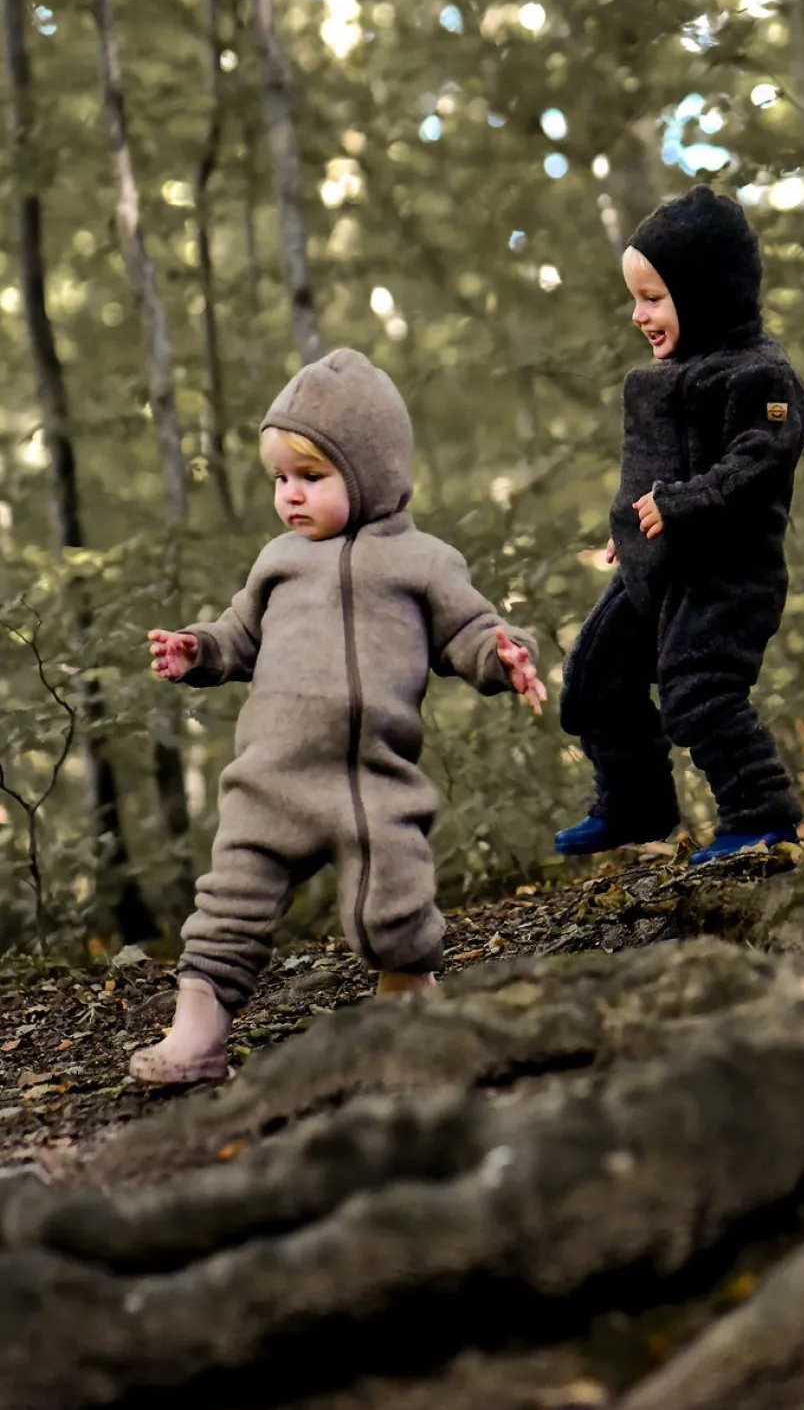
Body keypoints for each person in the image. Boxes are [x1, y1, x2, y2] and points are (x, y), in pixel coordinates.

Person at [130, 348, 545, 1086]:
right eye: (280, 478)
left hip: (370, 780)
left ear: (372, 471)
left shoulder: (422, 560)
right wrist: (198, 649)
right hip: (268, 778)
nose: (290, 495)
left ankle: (409, 1013)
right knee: (228, 906)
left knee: (397, 910)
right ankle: (197, 1033)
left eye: (311, 477)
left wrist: (504, 654)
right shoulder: (278, 561)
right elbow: (238, 636)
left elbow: (470, 631)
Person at [555, 184, 804, 867]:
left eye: (654, 297)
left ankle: (761, 814)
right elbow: (649, 469)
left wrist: (681, 503)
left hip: (726, 574)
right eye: (636, 298)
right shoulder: (660, 379)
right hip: (658, 564)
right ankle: (635, 802)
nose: (639, 314)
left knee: (698, 689)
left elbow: (759, 459)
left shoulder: (761, 378)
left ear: (705, 293)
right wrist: (632, 525)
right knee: (594, 677)